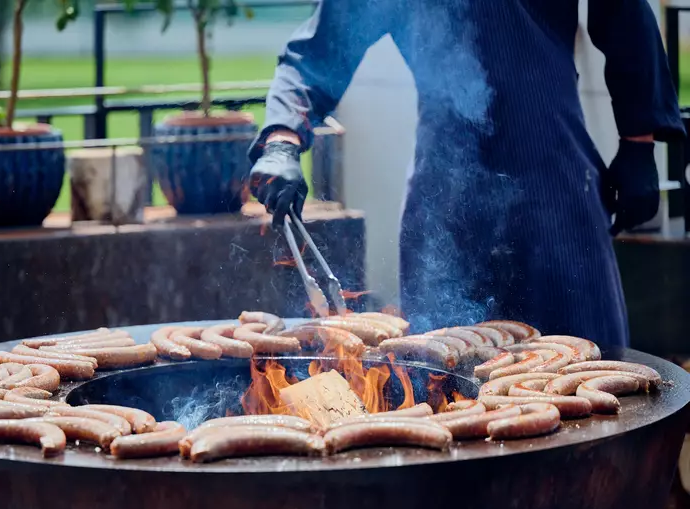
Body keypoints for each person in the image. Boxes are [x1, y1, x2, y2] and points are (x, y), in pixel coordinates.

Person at [247, 0, 685, 348]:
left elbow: (623, 10)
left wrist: (638, 142)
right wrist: (282, 140)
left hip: (555, 186)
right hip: (444, 204)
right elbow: (320, 51)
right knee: (444, 380)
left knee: (594, 367)